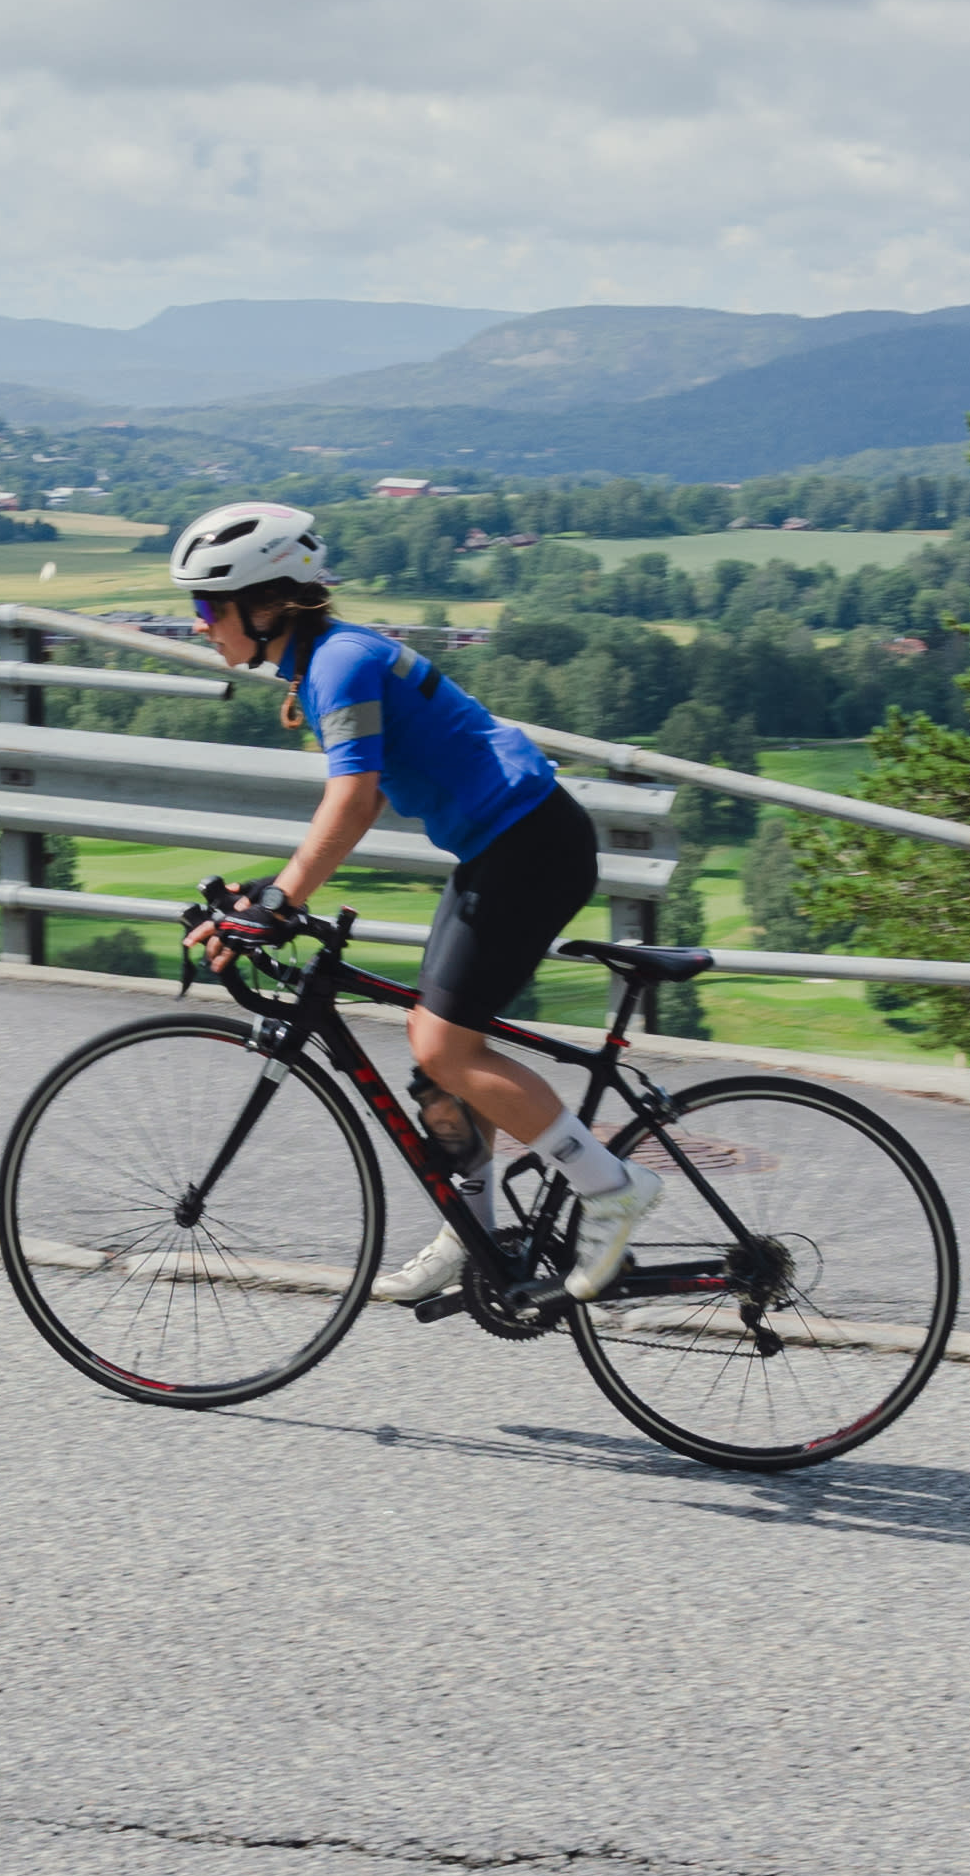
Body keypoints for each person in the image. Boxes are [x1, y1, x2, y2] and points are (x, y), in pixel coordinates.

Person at [170, 499, 660, 1305]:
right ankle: (472, 1232)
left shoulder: (339, 663)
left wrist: (284, 897)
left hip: (529, 848)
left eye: (207, 606)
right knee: (435, 1051)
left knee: (445, 1048)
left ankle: (610, 1187)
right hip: (501, 848)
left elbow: (352, 799)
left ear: (265, 605)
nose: (198, 624)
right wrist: (269, 895)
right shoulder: (323, 661)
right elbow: (356, 802)